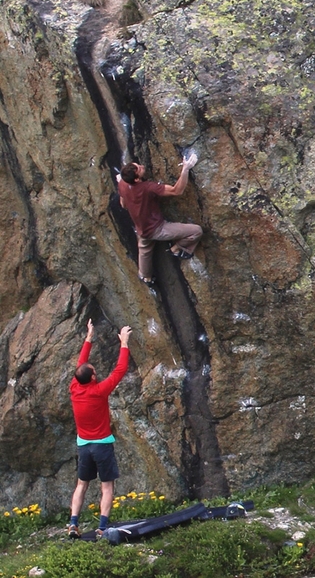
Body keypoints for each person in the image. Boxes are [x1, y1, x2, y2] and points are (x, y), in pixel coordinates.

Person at [67, 318, 132, 539]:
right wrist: (124, 342)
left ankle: (73, 524)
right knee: (107, 487)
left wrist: (88, 337)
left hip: (84, 446)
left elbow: (81, 365)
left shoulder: (75, 388)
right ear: (93, 377)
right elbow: (120, 370)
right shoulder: (99, 391)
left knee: (81, 485)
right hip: (102, 445)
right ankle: (102, 528)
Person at [118, 154, 203, 287]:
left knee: (144, 249)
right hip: (157, 228)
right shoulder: (148, 187)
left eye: (137, 165)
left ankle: (145, 277)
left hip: (141, 228)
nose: (141, 166)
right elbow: (176, 191)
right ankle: (178, 248)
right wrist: (186, 169)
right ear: (137, 179)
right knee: (196, 231)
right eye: (139, 168)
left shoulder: (122, 183)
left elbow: (123, 204)